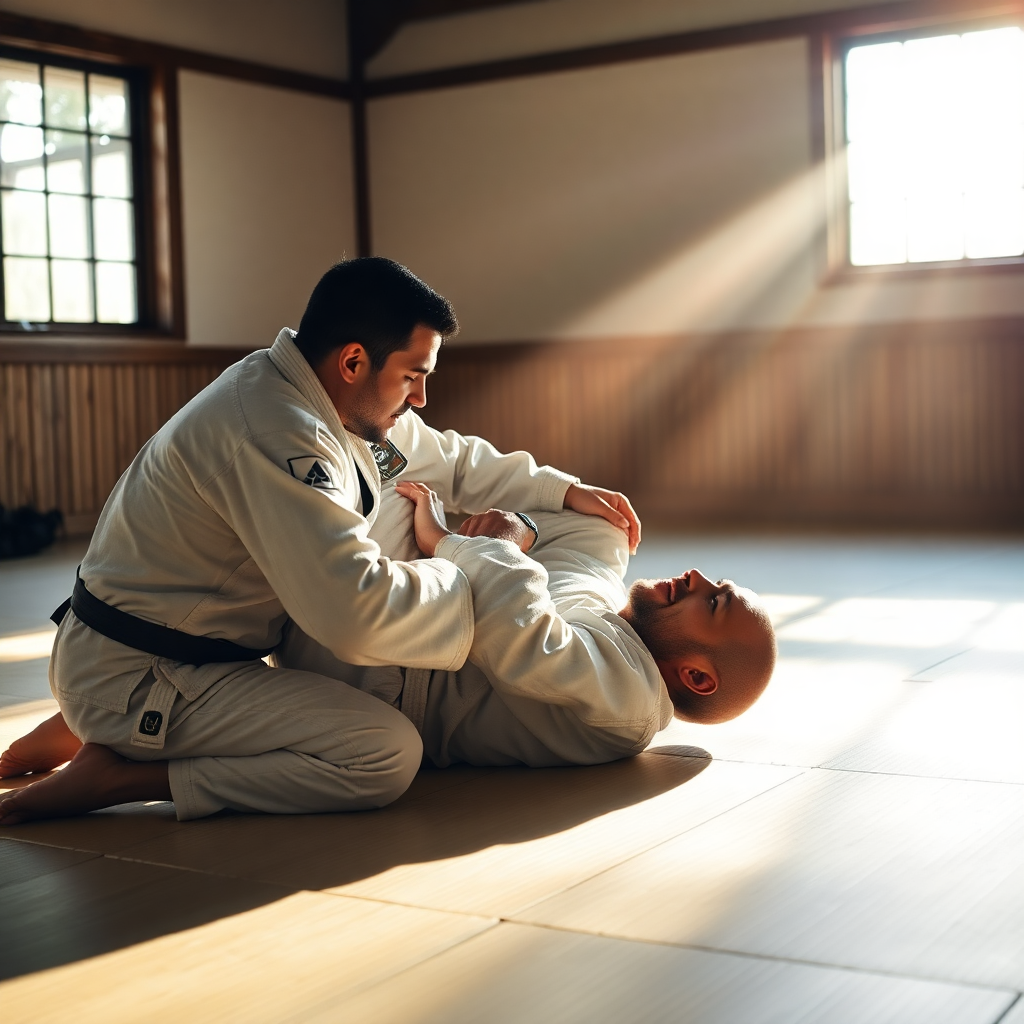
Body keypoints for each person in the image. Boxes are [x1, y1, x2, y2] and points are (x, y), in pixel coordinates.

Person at [0, 258, 637, 826]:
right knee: (384, 754)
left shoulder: (320, 392)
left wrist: (562, 491)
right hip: (150, 672)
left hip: (166, 652)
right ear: (354, 360)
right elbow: (353, 613)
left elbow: (448, 457)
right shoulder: (277, 430)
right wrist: (479, 563)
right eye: (414, 376)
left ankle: (94, 724)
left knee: (402, 493)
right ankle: (120, 771)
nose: (421, 397)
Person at [275, 483, 776, 770]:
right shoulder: (622, 638)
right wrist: (526, 524)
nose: (697, 576)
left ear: (696, 677)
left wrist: (465, 541)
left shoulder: (630, 703)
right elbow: (583, 554)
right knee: (606, 527)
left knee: (390, 495)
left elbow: (522, 636)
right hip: (398, 626)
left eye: (713, 602)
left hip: (381, 666)